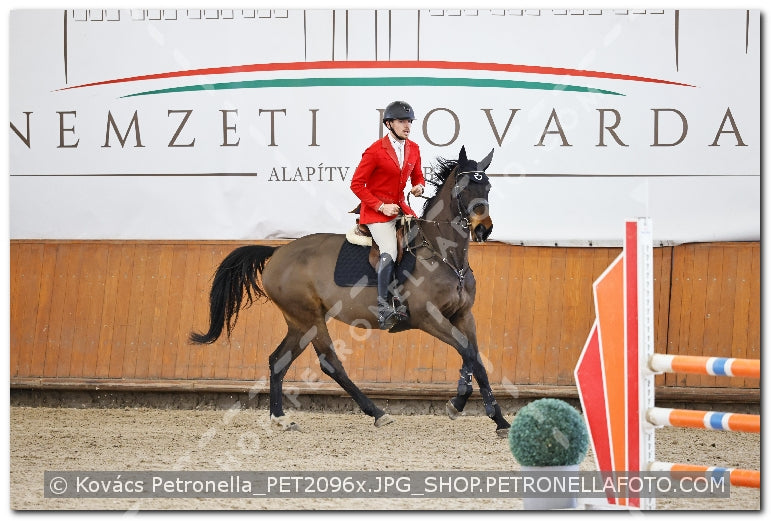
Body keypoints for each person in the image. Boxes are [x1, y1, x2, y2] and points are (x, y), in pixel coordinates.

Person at [350, 101, 425, 330]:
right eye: (402, 121)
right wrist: (381, 206)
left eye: (409, 122)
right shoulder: (375, 150)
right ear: (389, 124)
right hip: (376, 213)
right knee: (390, 250)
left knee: (422, 240)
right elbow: (357, 184)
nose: (408, 126)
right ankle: (383, 307)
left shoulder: (413, 148)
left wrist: (419, 187)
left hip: (402, 206)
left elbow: (418, 176)